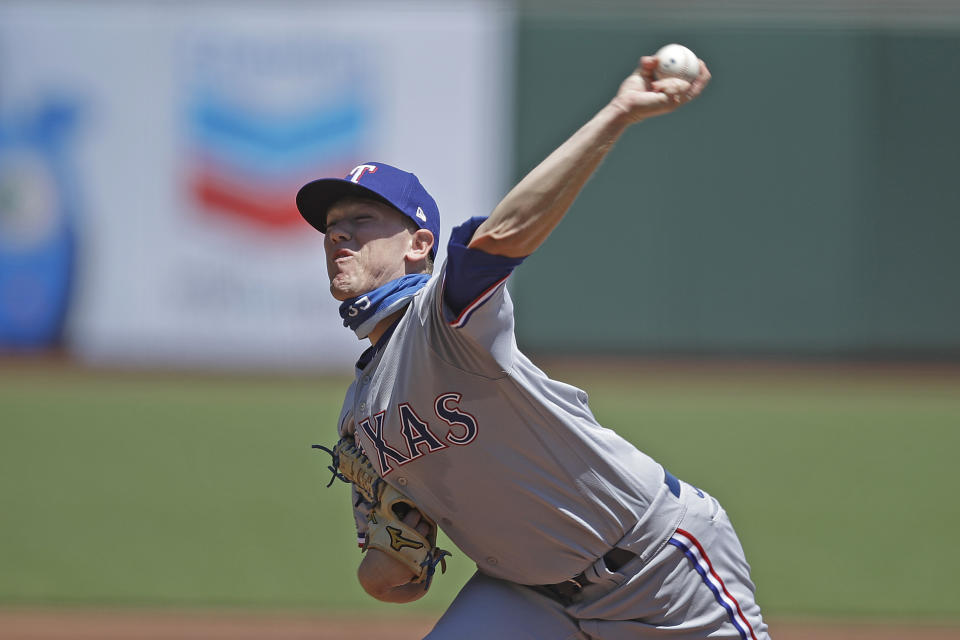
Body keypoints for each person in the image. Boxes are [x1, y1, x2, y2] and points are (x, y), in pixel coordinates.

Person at [296, 51, 770, 640]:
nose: (339, 233)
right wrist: (396, 545)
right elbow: (395, 582)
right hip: (521, 595)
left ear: (420, 245)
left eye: (362, 219)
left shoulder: (441, 321)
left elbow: (503, 237)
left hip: (655, 568)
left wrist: (618, 113)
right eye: (332, 226)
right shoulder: (359, 418)